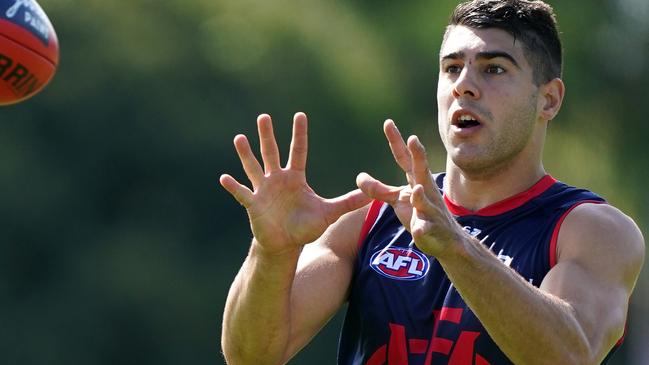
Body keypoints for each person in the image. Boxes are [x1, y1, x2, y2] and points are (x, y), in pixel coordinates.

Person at [219, 0, 645, 364]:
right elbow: (251, 355)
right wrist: (272, 253)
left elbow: (570, 355)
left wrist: (456, 247)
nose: (465, 86)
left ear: (548, 99)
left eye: (494, 69)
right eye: (452, 68)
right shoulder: (370, 220)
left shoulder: (592, 229)